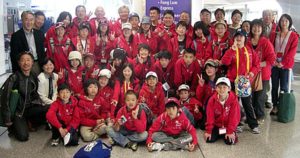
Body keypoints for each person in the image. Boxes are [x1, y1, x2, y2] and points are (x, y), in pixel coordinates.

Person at [221, 28, 260, 134]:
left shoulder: (250, 50)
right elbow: (224, 62)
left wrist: (252, 72)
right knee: (234, 104)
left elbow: (257, 64)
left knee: (247, 103)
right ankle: (236, 124)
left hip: (244, 82)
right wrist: (232, 50)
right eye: (237, 36)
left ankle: (253, 125)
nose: (238, 38)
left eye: (241, 36)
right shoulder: (231, 49)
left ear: (245, 38)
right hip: (233, 81)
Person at [1, 52, 47, 141]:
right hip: (18, 112)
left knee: (48, 108)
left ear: (32, 62)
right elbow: (4, 98)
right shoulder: (14, 77)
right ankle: (18, 124)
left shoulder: (33, 75)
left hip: (30, 108)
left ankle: (30, 121)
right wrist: (7, 118)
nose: (26, 63)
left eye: (28, 60)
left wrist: (40, 103)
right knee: (23, 137)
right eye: (22, 60)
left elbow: (35, 93)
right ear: (19, 63)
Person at [248, 19, 275, 123]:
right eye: (254, 26)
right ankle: (251, 115)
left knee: (260, 97)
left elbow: (271, 59)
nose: (256, 29)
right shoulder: (247, 41)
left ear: (262, 29)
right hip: (250, 74)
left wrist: (258, 65)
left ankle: (260, 116)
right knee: (251, 96)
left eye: (259, 27)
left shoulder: (266, 42)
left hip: (263, 74)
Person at [271, 14, 299, 115]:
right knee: (274, 86)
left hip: (286, 66)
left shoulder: (293, 36)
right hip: (274, 65)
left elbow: (292, 52)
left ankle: (282, 106)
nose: (284, 23)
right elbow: (271, 48)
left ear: (289, 22)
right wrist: (274, 61)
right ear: (279, 22)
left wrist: (282, 63)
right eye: (282, 20)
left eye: (286, 21)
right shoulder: (275, 34)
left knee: (284, 87)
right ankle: (274, 106)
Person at [204, 77, 240, 145]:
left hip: (227, 127)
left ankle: (226, 134)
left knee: (230, 141)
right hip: (217, 126)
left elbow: (234, 117)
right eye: (219, 87)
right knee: (209, 139)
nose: (222, 89)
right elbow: (210, 117)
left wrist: (230, 131)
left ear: (229, 88)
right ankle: (221, 134)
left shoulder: (234, 100)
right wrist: (208, 131)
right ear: (216, 88)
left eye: (224, 87)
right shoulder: (212, 100)